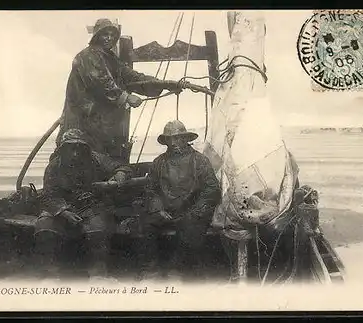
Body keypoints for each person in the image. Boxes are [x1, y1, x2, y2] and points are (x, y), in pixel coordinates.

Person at [54, 18, 183, 162]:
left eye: (112, 35)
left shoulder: (111, 59)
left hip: (100, 126)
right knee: (80, 163)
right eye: (105, 34)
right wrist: (126, 97)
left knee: (103, 163)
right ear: (96, 36)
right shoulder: (87, 56)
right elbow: (102, 83)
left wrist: (165, 84)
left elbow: (132, 77)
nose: (109, 38)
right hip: (82, 125)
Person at [34, 129, 132, 280]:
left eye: (78, 147)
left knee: (97, 229)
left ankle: (98, 273)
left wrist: (121, 173)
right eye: (69, 148)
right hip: (62, 207)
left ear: (85, 147)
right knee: (44, 226)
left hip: (90, 206)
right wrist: (63, 211)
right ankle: (51, 273)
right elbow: (49, 194)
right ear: (62, 149)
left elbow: (121, 166)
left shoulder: (96, 159)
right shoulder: (54, 166)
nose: (74, 153)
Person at [137, 120, 222, 280]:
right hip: (165, 211)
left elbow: (212, 189)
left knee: (190, 228)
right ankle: (151, 269)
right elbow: (150, 189)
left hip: (191, 211)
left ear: (186, 139)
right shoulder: (159, 162)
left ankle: (178, 269)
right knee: (145, 224)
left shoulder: (200, 160)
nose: (175, 143)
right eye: (170, 139)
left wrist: (195, 211)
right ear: (166, 141)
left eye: (179, 138)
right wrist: (158, 208)